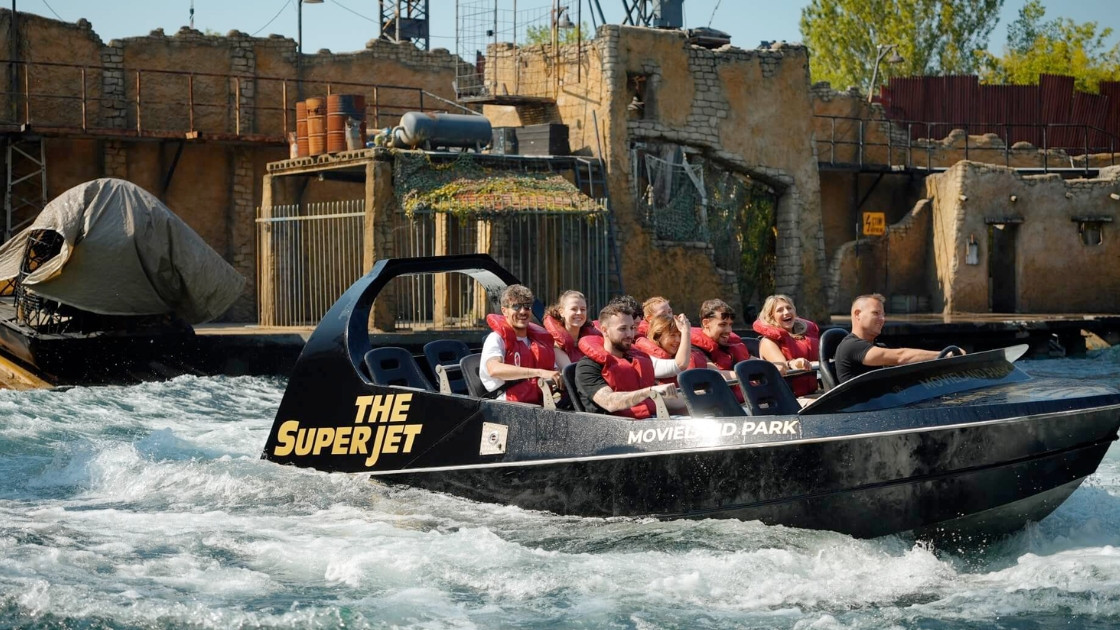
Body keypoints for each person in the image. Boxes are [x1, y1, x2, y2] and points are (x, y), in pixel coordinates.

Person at [574, 302, 686, 417]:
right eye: (622, 329)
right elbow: (609, 402)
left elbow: (661, 401)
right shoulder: (587, 367)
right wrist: (650, 391)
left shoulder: (635, 359)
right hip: (611, 429)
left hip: (647, 423)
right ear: (604, 330)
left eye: (632, 328)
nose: (629, 334)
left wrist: (698, 396)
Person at [834, 293, 948, 383]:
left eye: (883, 315)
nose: (882, 319)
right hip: (861, 410)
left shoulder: (878, 347)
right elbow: (900, 357)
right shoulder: (851, 346)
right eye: (876, 313)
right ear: (857, 314)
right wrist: (944, 355)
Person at [480, 284, 561, 404]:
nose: (523, 311)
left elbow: (553, 370)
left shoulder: (538, 341)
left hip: (542, 403)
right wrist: (538, 372)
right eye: (516, 306)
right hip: (509, 407)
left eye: (527, 307)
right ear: (504, 311)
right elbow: (494, 369)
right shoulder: (496, 339)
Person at [753, 294, 819, 397]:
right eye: (780, 310)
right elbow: (782, 366)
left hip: (811, 393)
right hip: (787, 398)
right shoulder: (768, 342)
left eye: (789, 308)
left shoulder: (805, 338)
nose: (786, 312)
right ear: (771, 316)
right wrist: (794, 363)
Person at [690, 299, 752, 401]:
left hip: (744, 401)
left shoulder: (731, 343)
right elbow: (715, 374)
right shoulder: (693, 348)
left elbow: (754, 361)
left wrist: (771, 367)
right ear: (706, 323)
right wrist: (750, 374)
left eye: (730, 324)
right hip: (719, 404)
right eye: (722, 325)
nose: (729, 331)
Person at [633, 312, 703, 383]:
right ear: (657, 336)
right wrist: (686, 331)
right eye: (672, 335)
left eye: (680, 335)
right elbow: (680, 365)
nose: (678, 340)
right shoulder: (647, 360)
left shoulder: (681, 355)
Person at [543, 290, 598, 369]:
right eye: (573, 309)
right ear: (562, 312)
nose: (579, 312)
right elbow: (570, 372)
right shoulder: (556, 346)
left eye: (583, 309)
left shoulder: (593, 338)